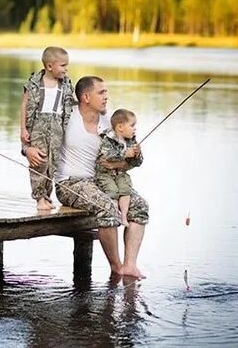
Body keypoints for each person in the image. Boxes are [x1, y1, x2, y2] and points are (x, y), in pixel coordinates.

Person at [26, 75, 148, 279]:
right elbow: (38, 131)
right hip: (70, 183)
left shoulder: (110, 124)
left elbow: (126, 162)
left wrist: (129, 158)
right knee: (107, 207)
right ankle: (116, 267)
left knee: (140, 206)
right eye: (101, 92)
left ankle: (130, 266)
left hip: (103, 181)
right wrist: (27, 148)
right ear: (86, 97)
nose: (106, 96)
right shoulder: (66, 116)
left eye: (107, 92)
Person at [20, 46, 76, 211]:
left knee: (53, 162)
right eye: (63, 65)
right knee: (40, 161)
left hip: (57, 126)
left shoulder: (65, 84)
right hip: (39, 125)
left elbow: (71, 103)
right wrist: (23, 129)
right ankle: (39, 197)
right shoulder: (35, 83)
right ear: (50, 66)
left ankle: (47, 195)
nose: (66, 69)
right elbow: (24, 105)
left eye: (67, 65)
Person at [95, 109, 142, 227]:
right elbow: (106, 156)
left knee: (125, 190)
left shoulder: (131, 140)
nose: (135, 128)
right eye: (132, 125)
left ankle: (124, 216)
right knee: (112, 192)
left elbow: (138, 163)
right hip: (105, 174)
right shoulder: (108, 139)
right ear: (120, 127)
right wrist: (125, 154)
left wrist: (137, 154)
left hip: (120, 173)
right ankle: (115, 215)